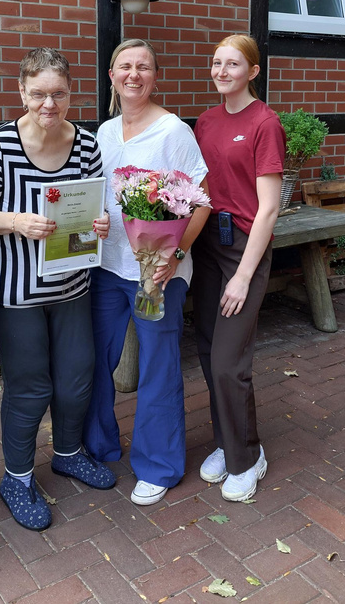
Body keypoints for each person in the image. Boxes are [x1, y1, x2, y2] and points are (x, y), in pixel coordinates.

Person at [0, 48, 115, 531]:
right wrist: (15, 221)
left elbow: (93, 205)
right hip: (14, 293)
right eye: (38, 94)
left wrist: (100, 222)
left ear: (70, 94)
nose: (48, 104)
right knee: (31, 387)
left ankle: (68, 453)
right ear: (22, 93)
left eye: (58, 94)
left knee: (78, 377)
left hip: (71, 284)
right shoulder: (1, 144)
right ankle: (16, 477)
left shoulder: (87, 144)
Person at [83, 38, 210, 506]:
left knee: (157, 367)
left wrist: (174, 257)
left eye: (143, 67)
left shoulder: (173, 132)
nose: (133, 75)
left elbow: (201, 202)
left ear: (155, 77)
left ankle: (159, 465)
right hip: (106, 270)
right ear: (112, 76)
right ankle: (99, 447)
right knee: (95, 359)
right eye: (124, 67)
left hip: (154, 277)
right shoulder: (103, 132)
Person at [192, 34, 285, 502]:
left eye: (233, 64)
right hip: (207, 243)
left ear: (252, 71)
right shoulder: (205, 122)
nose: (222, 71)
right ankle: (228, 443)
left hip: (243, 248)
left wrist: (244, 276)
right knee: (209, 353)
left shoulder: (265, 123)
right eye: (216, 63)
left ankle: (248, 456)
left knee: (230, 362)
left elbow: (268, 209)